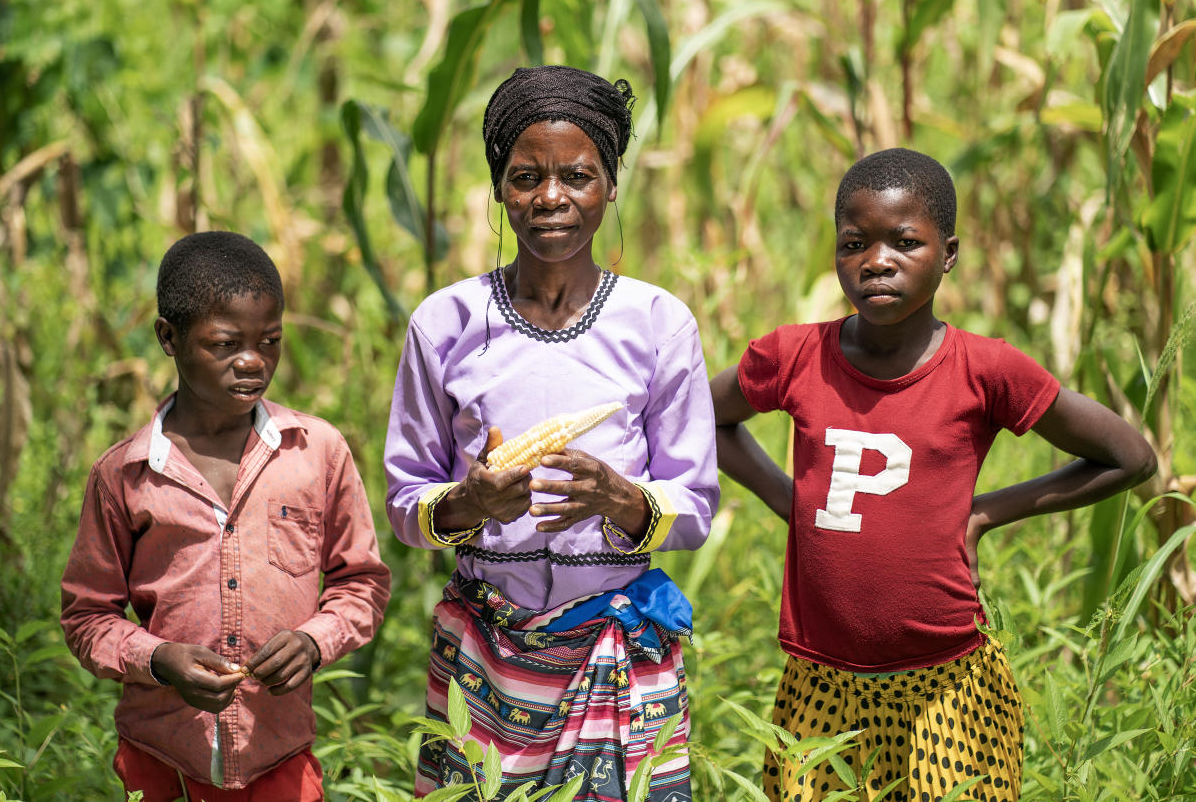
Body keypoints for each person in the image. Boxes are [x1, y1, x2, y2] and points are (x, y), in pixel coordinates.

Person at [709, 148, 1156, 802]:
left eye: (905, 242)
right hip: (821, 682)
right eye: (855, 243)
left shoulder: (987, 369)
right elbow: (699, 415)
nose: (877, 260)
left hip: (947, 684)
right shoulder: (793, 356)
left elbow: (1131, 457)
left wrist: (985, 512)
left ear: (948, 255)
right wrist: (793, 502)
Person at [384, 65, 718, 801]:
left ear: (611, 185)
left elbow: (694, 506)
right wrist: (468, 503)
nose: (551, 198)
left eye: (578, 175)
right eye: (526, 177)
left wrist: (621, 499)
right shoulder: (445, 324)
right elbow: (405, 503)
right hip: (485, 655)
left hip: (616, 646)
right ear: (499, 187)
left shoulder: (659, 325)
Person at [61, 231, 392, 801]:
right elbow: (86, 616)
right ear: (169, 337)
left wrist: (314, 642)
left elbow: (361, 583)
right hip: (160, 757)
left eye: (270, 341)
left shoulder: (317, 453)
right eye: (224, 343)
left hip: (278, 756)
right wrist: (160, 658)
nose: (253, 361)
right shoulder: (125, 475)